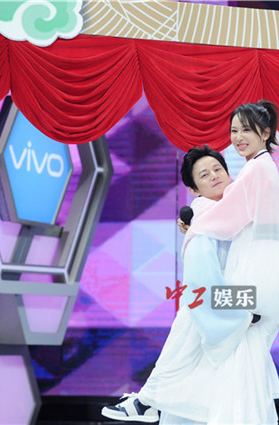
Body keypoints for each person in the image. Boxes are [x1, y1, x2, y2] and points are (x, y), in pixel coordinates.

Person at [102, 146, 253, 424]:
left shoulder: (230, 214)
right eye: (204, 175)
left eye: (218, 169)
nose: (214, 176)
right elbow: (204, 286)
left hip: (228, 317)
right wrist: (246, 308)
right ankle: (147, 400)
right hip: (217, 315)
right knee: (187, 370)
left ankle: (147, 401)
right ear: (194, 189)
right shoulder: (205, 227)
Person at [180, 100, 279, 423]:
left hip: (258, 286)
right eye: (234, 130)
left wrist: (194, 225)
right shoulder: (264, 168)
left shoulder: (255, 170)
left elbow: (226, 216)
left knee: (195, 309)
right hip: (272, 284)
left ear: (266, 133)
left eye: (246, 130)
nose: (238, 137)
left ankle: (156, 394)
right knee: (245, 365)